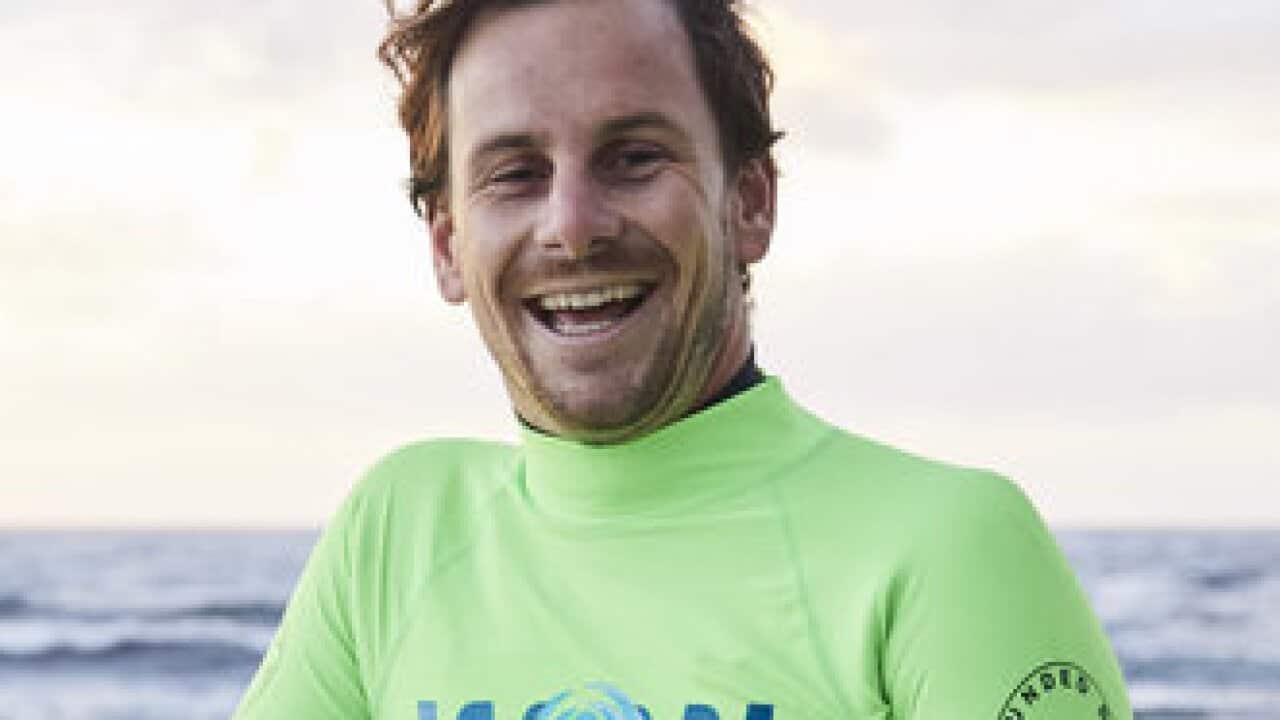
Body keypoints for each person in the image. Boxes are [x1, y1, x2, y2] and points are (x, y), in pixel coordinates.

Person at [233, 0, 1134, 718]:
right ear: (446, 245)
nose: (573, 227)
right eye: (515, 173)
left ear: (749, 203)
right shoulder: (396, 530)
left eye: (632, 158)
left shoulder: (943, 547)